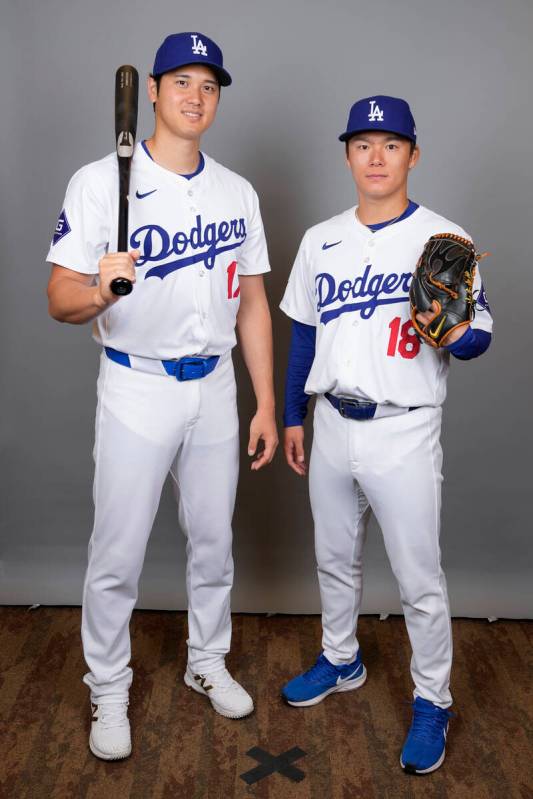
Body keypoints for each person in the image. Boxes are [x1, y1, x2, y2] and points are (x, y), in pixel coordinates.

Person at [46, 31, 277, 761]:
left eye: (208, 85)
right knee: (116, 552)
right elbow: (57, 299)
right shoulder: (95, 182)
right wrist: (96, 287)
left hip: (211, 385)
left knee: (213, 541)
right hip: (135, 383)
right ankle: (108, 685)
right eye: (180, 81)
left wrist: (265, 402)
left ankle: (205, 659)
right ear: (150, 90)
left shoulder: (237, 191)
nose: (194, 96)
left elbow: (252, 305)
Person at [279, 95, 492, 775]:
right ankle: (341, 657)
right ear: (346, 154)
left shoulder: (444, 236)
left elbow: (478, 338)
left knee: (418, 578)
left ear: (413, 155)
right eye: (363, 144)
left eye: (390, 144)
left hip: (404, 428)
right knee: (332, 557)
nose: (376, 157)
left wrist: (454, 327)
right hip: (333, 422)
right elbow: (303, 336)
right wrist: (291, 414)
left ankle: (433, 699)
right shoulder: (320, 239)